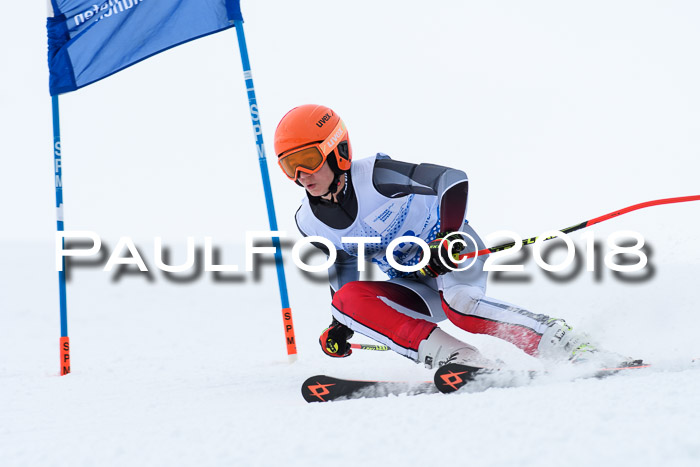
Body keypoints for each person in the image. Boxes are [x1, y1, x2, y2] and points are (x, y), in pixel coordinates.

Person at [274, 104, 621, 370]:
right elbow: (344, 269)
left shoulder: (376, 176)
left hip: (454, 254)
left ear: (338, 150)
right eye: (290, 166)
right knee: (346, 300)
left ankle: (569, 345)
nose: (302, 175)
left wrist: (447, 237)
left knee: (461, 306)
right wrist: (341, 324)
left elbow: (452, 180)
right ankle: (462, 359)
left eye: (308, 159)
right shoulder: (310, 221)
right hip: (415, 282)